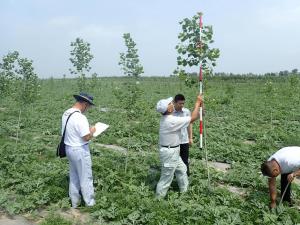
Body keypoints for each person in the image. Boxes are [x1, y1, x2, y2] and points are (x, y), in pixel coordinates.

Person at [156, 94, 202, 198]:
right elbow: (193, 118)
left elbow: (193, 117)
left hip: (174, 151)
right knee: (166, 179)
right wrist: (197, 102)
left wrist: (200, 107)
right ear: (168, 108)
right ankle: (157, 200)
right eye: (170, 103)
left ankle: (184, 193)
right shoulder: (171, 121)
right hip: (169, 153)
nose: (172, 104)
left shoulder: (169, 118)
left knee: (182, 170)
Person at [61, 92, 96, 208]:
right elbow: (86, 137)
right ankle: (90, 204)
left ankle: (75, 203)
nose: (88, 109)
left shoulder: (67, 113)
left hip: (69, 148)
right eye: (89, 106)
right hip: (80, 150)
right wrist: (92, 131)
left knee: (74, 177)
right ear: (84, 104)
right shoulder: (80, 117)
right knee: (86, 178)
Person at [173, 94, 193, 176]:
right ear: (174, 103)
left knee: (185, 160)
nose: (181, 105)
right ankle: (174, 177)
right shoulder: (170, 113)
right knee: (173, 160)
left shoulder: (186, 111)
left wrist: (190, 137)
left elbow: (189, 124)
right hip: (174, 141)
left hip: (184, 140)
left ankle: (186, 176)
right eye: (179, 103)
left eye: (183, 103)